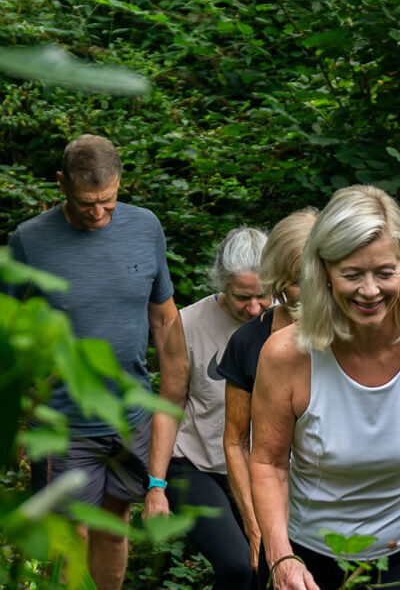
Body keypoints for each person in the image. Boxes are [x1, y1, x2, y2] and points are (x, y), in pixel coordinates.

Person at [249, 185, 400, 590]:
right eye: (352, 274)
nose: (370, 291)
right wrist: (281, 557)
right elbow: (268, 463)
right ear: (323, 271)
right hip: (308, 556)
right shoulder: (286, 356)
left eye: (384, 273)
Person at [6, 134, 180, 590]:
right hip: (61, 421)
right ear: (61, 184)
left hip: (129, 415)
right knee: (72, 534)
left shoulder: (146, 228)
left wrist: (173, 391)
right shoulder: (29, 240)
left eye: (108, 200)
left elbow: (163, 317)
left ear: (120, 183)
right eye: (87, 203)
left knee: (112, 526)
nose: (99, 213)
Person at [144, 226, 269, 590]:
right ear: (220, 281)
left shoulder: (285, 323)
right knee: (236, 565)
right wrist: (155, 485)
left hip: (261, 467)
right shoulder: (188, 323)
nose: (254, 308)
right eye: (241, 296)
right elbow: (169, 404)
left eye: (263, 295)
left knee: (269, 569)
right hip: (197, 464)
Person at [217, 207, 319, 588]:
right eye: (296, 282)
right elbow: (235, 441)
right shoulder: (247, 343)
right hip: (272, 501)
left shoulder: (355, 333)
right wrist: (255, 523)